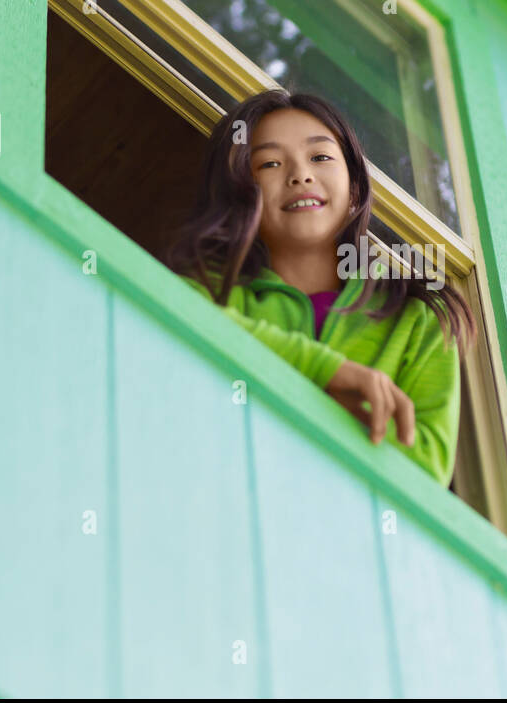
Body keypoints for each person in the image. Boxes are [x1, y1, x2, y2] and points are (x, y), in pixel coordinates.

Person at [166, 89, 477, 486]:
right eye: (270, 163)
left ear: (355, 189)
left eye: (321, 157)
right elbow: (180, 321)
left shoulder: (418, 319)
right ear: (240, 196)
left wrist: (311, 398)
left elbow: (426, 467)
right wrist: (324, 372)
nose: (300, 174)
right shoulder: (214, 288)